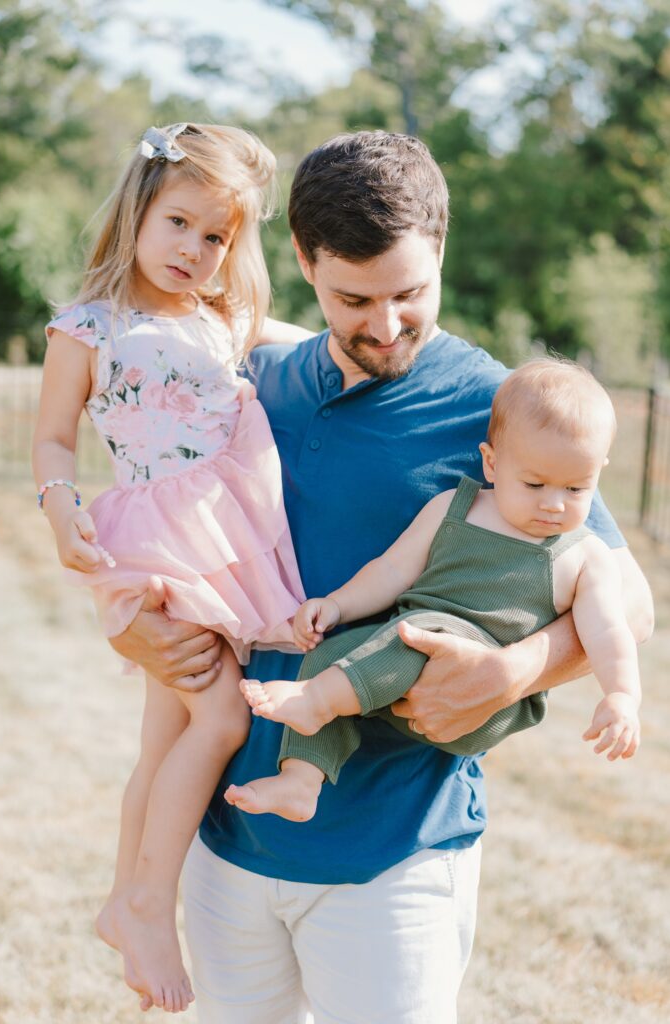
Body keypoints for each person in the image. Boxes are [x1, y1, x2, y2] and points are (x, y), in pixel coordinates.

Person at [109, 131, 654, 1024]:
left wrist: (511, 672)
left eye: (411, 293)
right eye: (352, 299)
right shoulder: (257, 382)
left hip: (394, 852)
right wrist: (133, 624)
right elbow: (153, 516)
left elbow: (627, 605)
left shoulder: (502, 410)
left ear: (441, 251)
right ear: (301, 261)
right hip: (228, 838)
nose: (386, 326)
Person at [32, 122, 310, 1015]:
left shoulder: (225, 321)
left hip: (223, 537)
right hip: (156, 537)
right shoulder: (90, 325)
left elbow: (318, 339)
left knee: (164, 738)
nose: (194, 248)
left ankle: (126, 895)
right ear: (138, 211)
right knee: (220, 711)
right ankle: (150, 902)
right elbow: (52, 436)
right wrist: (58, 505)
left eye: (216, 236)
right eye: (179, 223)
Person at [227, 358, 641, 822]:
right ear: (492, 461)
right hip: (396, 663)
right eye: (533, 483)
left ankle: (317, 701)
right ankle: (301, 782)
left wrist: (621, 696)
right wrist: (337, 604)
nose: (553, 503)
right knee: (330, 655)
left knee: (422, 631)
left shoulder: (584, 556)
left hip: (481, 700)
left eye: (576, 488)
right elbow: (390, 572)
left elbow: (608, 631)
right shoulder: (456, 507)